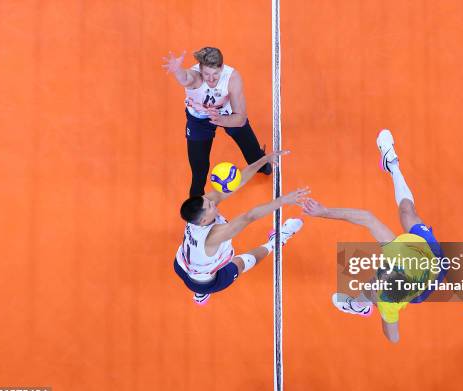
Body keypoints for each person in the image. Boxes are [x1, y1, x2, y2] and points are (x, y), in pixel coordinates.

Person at [302, 130, 446, 343]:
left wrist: (383, 310)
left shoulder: (389, 300)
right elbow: (367, 218)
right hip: (427, 250)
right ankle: (392, 165)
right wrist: (324, 212)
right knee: (407, 211)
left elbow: (393, 338)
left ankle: (360, 305)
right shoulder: (400, 252)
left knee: (370, 290)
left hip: (428, 284)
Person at [174, 150, 307, 305]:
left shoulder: (198, 213)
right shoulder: (214, 236)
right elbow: (249, 217)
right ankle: (278, 240)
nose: (212, 203)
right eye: (210, 206)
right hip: (206, 282)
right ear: (204, 221)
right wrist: (283, 200)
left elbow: (235, 185)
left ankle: (200, 291)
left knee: (201, 269)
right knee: (244, 262)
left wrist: (261, 161)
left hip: (181, 265)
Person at [163, 46, 271, 197]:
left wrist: (219, 119)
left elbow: (240, 119)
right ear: (200, 69)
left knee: (254, 155)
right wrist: (178, 70)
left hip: (224, 113)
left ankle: (261, 165)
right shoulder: (195, 77)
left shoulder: (232, 78)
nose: (211, 79)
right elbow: (185, 78)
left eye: (215, 74)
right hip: (198, 118)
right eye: (207, 74)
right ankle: (196, 207)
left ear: (222, 67)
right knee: (199, 171)